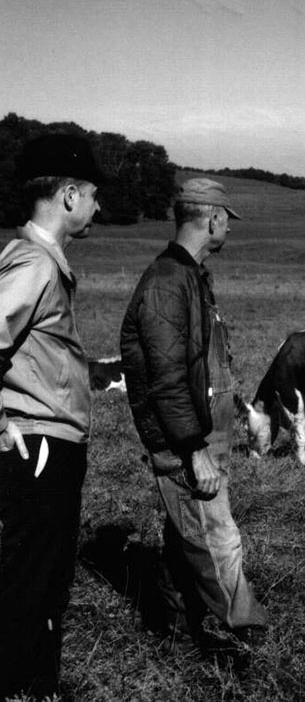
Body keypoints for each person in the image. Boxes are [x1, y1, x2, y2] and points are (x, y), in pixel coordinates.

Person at [119, 178, 267, 654]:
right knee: (219, 538)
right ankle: (248, 632)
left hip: (204, 436)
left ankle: (175, 628)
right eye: (227, 220)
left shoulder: (189, 275)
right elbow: (166, 380)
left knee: (184, 535)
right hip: (188, 443)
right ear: (212, 218)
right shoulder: (167, 283)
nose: (229, 229)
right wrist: (193, 449)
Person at [0, 134, 103, 700]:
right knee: (30, 582)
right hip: (38, 445)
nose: (97, 206)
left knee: (43, 579)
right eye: (92, 195)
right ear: (67, 195)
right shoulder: (34, 263)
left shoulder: (42, 262)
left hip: (50, 444)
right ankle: (22, 688)